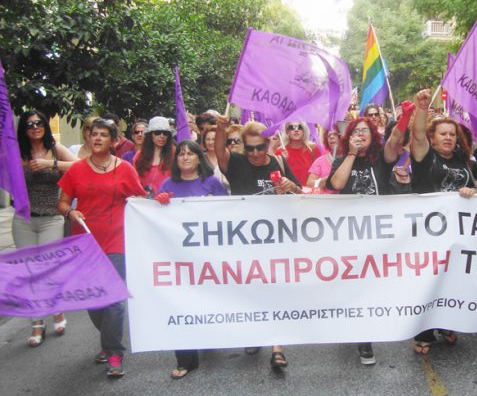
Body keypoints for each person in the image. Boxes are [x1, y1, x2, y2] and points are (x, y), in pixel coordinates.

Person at [57, 118, 147, 378]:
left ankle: (114, 352)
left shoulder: (126, 168)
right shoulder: (76, 170)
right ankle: (108, 338)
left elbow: (140, 198)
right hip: (85, 241)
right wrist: (71, 212)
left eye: (103, 135)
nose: (96, 138)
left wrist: (153, 202)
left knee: (115, 300)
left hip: (117, 240)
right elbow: (62, 203)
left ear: (114, 141)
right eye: (93, 134)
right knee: (95, 300)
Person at [215, 118, 300, 369]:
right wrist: (220, 129)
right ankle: (254, 334)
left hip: (275, 239)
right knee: (251, 290)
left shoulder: (278, 162)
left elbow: (299, 193)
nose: (254, 153)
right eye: (249, 148)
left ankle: (277, 347)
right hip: (244, 240)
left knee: (275, 290)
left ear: (267, 145)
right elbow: (220, 152)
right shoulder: (237, 162)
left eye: (259, 147)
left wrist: (290, 186)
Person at [406, 89, 477, 354]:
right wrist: (422, 108)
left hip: (458, 234)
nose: (448, 138)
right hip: (430, 234)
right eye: (442, 134)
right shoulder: (426, 157)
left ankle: (448, 321)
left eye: (452, 134)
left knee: (454, 280)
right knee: (430, 282)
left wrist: (473, 192)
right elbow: (416, 134)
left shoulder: (463, 161)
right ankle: (424, 331)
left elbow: (476, 193)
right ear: (432, 139)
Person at [327, 115, 402, 364]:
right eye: (356, 131)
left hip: (378, 233)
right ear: (349, 137)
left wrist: (407, 118)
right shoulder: (341, 159)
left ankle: (365, 338)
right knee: (355, 284)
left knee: (371, 285)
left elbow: (395, 144)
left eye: (365, 131)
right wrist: (350, 154)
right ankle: (357, 330)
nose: (361, 134)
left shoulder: (380, 159)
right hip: (351, 234)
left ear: (373, 136)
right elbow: (337, 183)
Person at [155, 140, 227, 379]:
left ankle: (209, 334)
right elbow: (156, 218)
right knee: (182, 303)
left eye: (189, 154)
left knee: (208, 299)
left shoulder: (212, 183)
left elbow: (227, 214)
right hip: (179, 257)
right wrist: (160, 203)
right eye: (181, 155)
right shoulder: (168, 184)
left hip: (208, 256)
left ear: (199, 158)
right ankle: (185, 359)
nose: (185, 158)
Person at [13, 110, 77, 347]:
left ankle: (57, 311)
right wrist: (18, 164)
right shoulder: (17, 152)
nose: (35, 127)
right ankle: (36, 323)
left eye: (39, 123)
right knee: (29, 272)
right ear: (24, 129)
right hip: (24, 219)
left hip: (51, 217)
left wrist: (50, 163)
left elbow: (79, 166)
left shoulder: (54, 148)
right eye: (30, 124)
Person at [134, 116, 175, 196]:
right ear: (150, 135)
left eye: (165, 133)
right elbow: (135, 182)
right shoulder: (139, 156)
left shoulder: (175, 155)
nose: (162, 136)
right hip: (143, 203)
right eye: (157, 132)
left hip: (168, 203)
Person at [275, 121, 321, 187]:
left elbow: (320, 172)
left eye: (299, 127)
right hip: (290, 191)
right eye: (292, 127)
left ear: (304, 130)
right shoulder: (280, 151)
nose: (296, 130)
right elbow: (277, 177)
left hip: (309, 192)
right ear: (287, 131)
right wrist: (283, 161)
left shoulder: (312, 148)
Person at [306, 126, 341, 193]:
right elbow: (309, 184)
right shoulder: (320, 161)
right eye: (329, 135)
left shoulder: (350, 158)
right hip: (326, 201)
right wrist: (327, 179)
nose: (331, 137)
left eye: (335, 134)